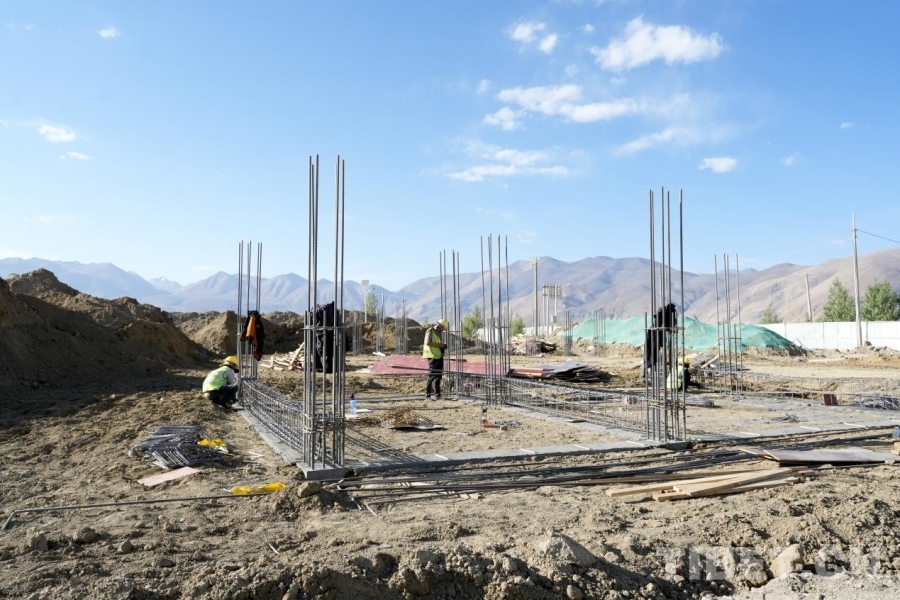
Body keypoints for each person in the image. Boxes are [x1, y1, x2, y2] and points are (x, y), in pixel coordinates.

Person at [422, 318, 449, 399]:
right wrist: (440, 345)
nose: (442, 331)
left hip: (438, 357)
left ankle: (437, 394)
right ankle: (428, 393)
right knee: (431, 375)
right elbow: (428, 342)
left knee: (438, 376)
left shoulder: (437, 334)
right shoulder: (430, 331)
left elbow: (436, 345)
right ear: (438, 326)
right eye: (442, 329)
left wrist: (442, 346)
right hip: (432, 357)